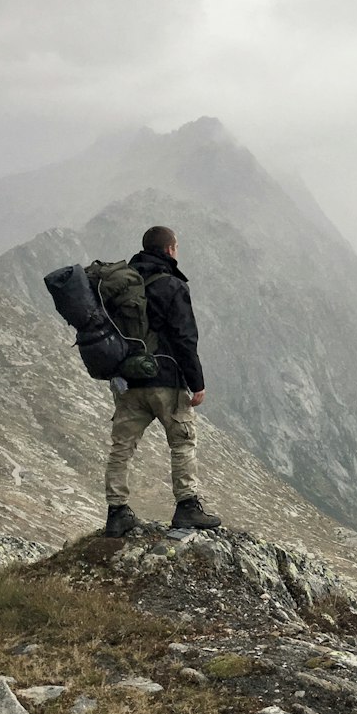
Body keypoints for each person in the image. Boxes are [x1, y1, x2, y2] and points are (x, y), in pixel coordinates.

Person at [103, 225, 222, 536]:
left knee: (121, 447)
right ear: (170, 250)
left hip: (128, 381)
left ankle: (116, 511)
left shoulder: (122, 285)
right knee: (182, 442)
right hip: (165, 378)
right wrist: (197, 382)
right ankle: (187, 507)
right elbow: (184, 337)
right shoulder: (172, 285)